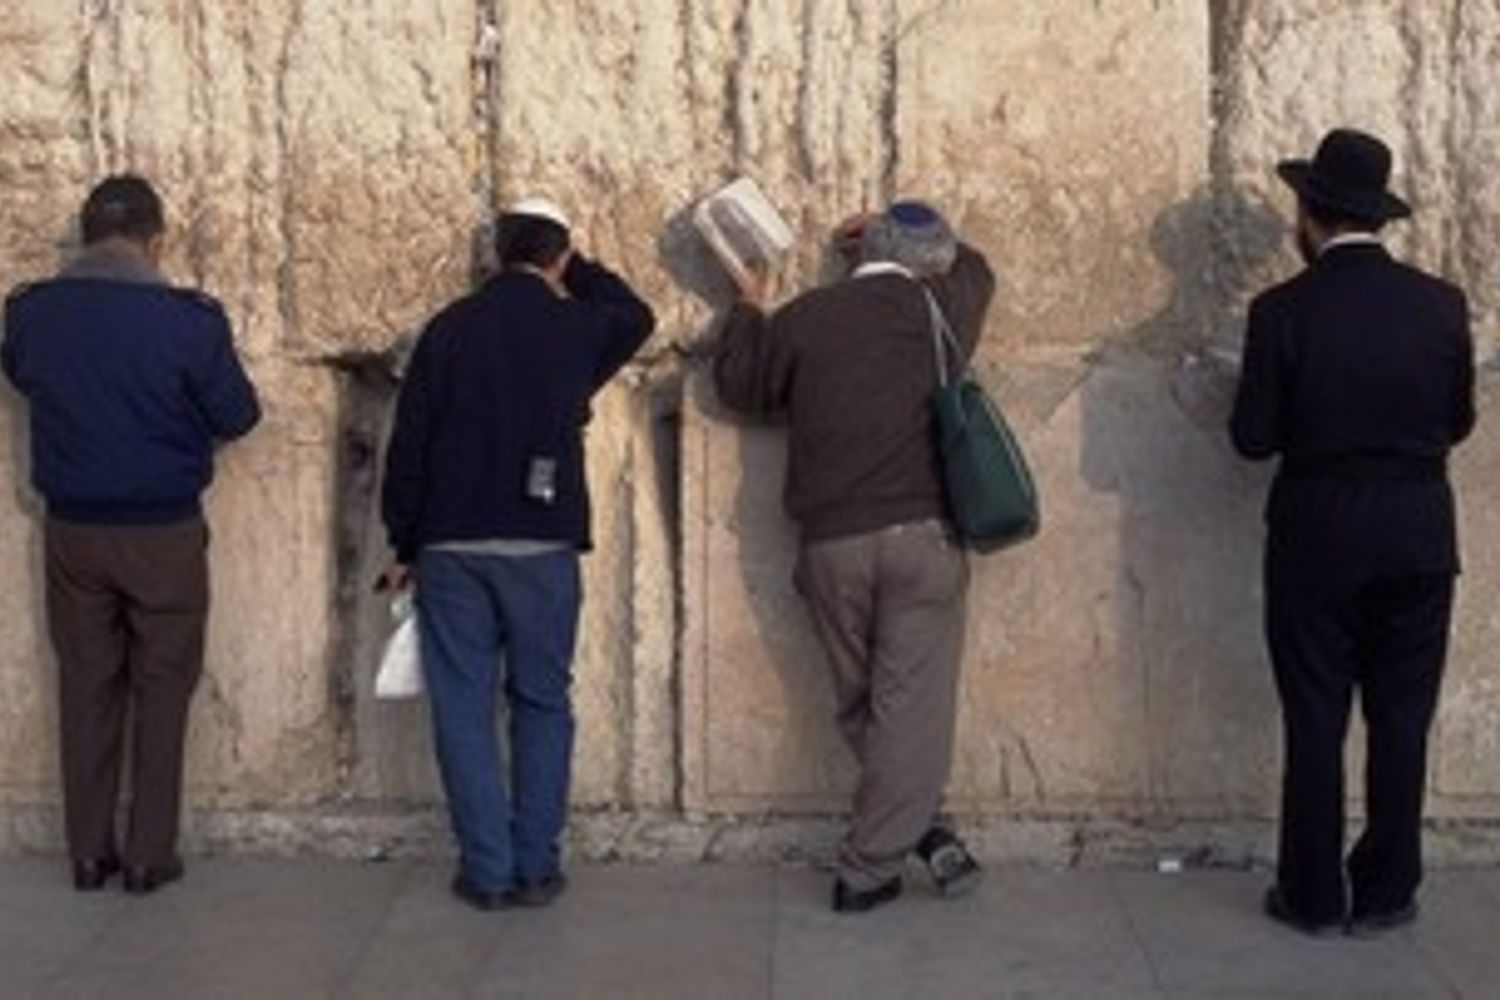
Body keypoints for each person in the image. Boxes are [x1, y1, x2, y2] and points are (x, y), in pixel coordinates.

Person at [712, 200, 995, 913]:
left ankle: (924, 829)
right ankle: (867, 870)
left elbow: (740, 386)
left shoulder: (804, 319)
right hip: (920, 539)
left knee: (865, 705)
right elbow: (977, 268)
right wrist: (895, 220)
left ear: (856, 254)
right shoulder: (938, 311)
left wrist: (747, 306)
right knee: (909, 712)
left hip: (831, 545)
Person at [1230, 129, 1475, 936]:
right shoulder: (1441, 306)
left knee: (1315, 717)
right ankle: (1386, 891)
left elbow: (1253, 437)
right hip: (1417, 532)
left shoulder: (1279, 312)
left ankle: (1311, 894)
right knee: (1402, 718)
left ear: (1309, 211)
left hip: (1317, 533)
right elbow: (1458, 421)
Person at [380, 198, 653, 911]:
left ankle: (487, 871)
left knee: (463, 707)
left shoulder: (448, 330)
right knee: (540, 700)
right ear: (558, 257)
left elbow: (408, 447)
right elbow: (635, 314)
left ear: (497, 256)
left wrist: (405, 540)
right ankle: (536, 866)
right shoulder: (575, 326)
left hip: (451, 541)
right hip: (541, 542)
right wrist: (578, 265)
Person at [2, 175, 261, 894]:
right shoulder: (190, 322)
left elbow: (23, 374)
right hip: (163, 532)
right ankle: (148, 854)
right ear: (155, 240)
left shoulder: (32, 313)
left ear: (85, 235)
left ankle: (88, 853)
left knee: (85, 686)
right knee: (163, 688)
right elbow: (238, 415)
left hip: (73, 531)